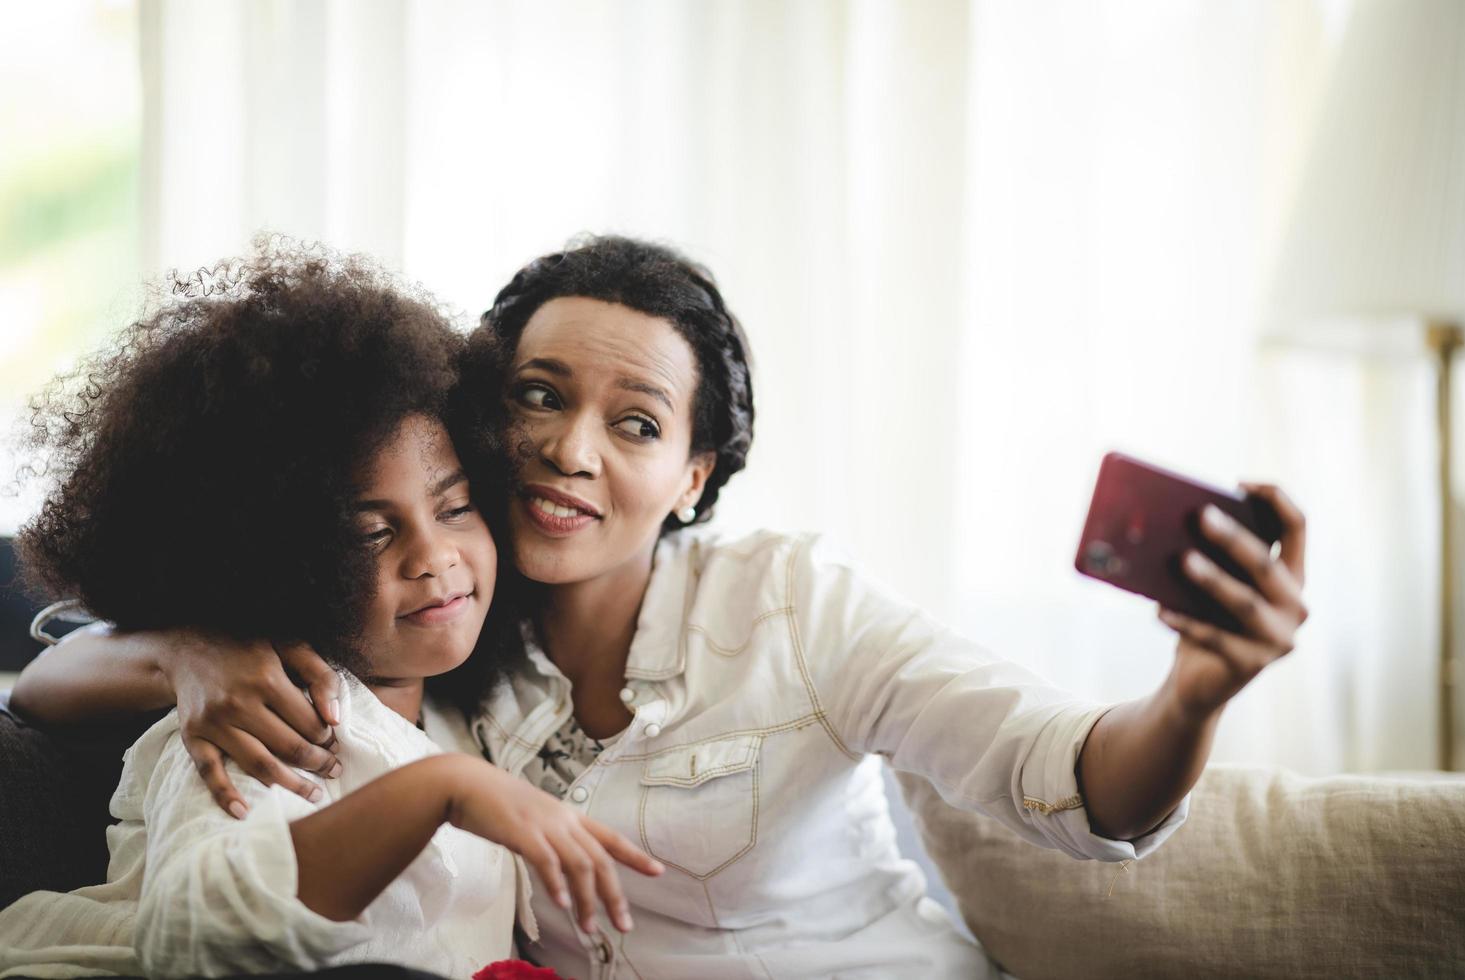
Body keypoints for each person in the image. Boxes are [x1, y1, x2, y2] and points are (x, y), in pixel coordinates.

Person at [15, 236, 1309, 978]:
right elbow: (52, 679)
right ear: (476, 407)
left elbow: (1067, 781)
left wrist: (1195, 692)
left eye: (634, 424)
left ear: (691, 477)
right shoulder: (431, 619)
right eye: (536, 395)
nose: (572, 448)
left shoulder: (789, 599)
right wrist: (197, 646)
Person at [0, 244, 659, 979]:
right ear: (274, 563)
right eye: (371, 533)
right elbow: (191, 938)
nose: (433, 556)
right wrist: (439, 793)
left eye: (456, 507)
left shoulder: (455, 722)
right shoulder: (270, 722)